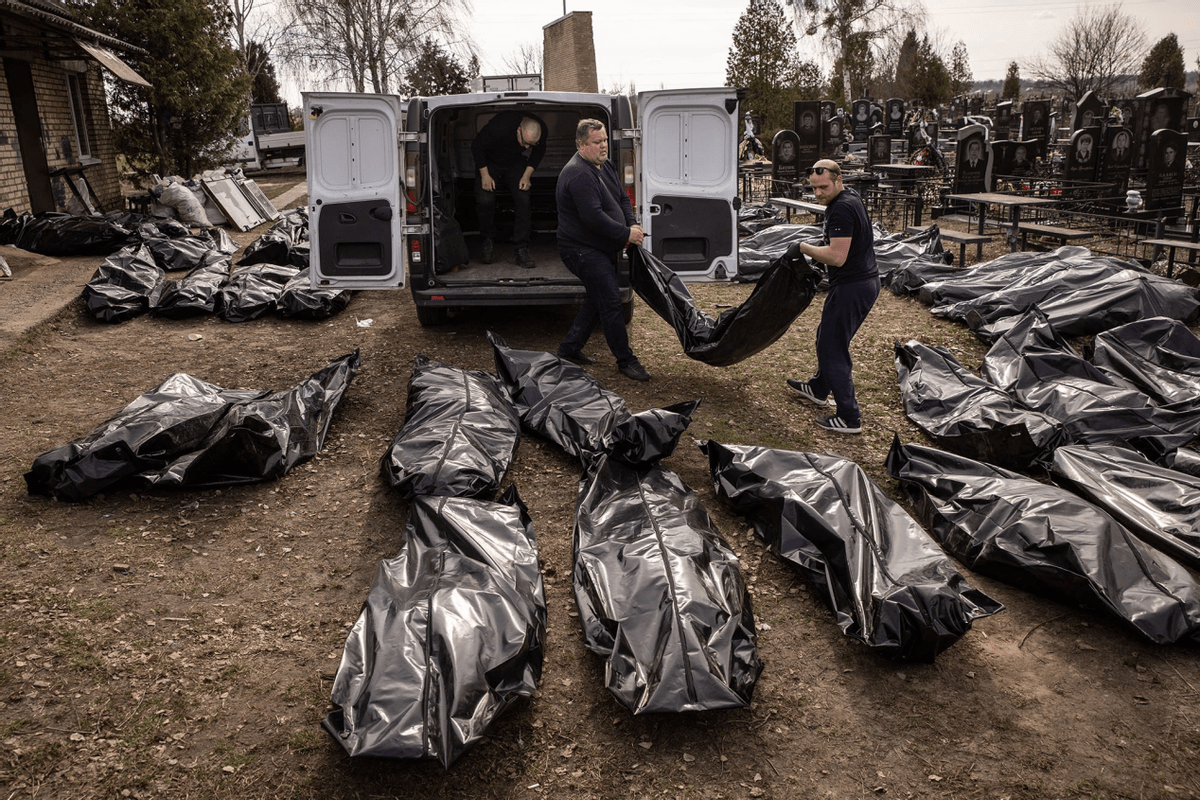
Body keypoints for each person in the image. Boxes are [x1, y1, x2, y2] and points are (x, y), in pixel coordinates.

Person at [785, 159, 880, 434]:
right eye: (813, 189)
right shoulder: (850, 197)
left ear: (839, 180)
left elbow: (837, 257)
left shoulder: (840, 209)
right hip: (863, 282)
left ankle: (849, 417)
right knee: (826, 336)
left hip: (853, 286)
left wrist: (802, 247)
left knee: (832, 346)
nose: (818, 194)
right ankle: (818, 388)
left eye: (823, 187)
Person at [554, 119, 651, 382]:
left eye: (605, 140)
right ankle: (626, 360)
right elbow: (593, 218)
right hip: (581, 251)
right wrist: (625, 234)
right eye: (597, 143)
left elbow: (622, 197)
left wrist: (630, 223)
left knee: (597, 299)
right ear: (582, 145)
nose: (604, 146)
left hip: (599, 247)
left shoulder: (603, 165)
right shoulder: (579, 174)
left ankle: (569, 350)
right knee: (609, 301)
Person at [472, 110, 547, 268]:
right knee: (485, 200)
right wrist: (485, 175)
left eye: (531, 145)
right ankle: (487, 240)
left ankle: (521, 248)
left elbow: (538, 153)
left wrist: (526, 176)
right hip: (489, 161)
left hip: (515, 163)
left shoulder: (541, 129)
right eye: (525, 142)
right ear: (518, 130)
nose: (527, 147)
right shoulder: (501, 125)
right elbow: (477, 146)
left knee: (523, 198)